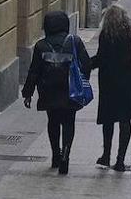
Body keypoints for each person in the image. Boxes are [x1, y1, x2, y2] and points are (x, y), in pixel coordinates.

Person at [22, 10, 90, 175]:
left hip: (49, 91)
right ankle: (66, 156)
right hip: (70, 91)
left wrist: (28, 92)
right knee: (69, 122)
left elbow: (34, 72)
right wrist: (81, 82)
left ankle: (55, 155)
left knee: (53, 121)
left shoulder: (41, 46)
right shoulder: (75, 41)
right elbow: (86, 64)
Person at [90, 4, 131, 172]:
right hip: (129, 83)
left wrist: (87, 64)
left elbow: (100, 58)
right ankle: (120, 160)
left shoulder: (106, 35)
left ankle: (106, 155)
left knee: (108, 121)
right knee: (125, 121)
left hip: (109, 84)